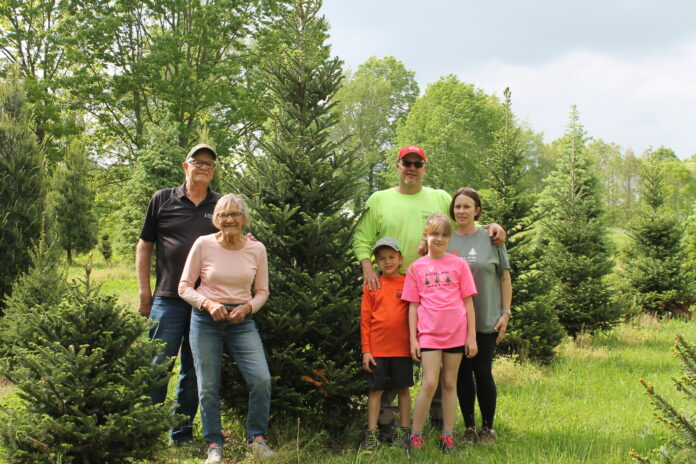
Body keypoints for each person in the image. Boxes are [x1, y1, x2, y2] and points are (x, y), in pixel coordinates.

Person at [352, 144, 505, 438]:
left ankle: (438, 421)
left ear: (424, 167)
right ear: (397, 165)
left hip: (440, 293)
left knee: (440, 371)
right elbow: (361, 237)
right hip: (395, 289)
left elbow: (461, 220)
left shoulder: (440, 197)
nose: (412, 168)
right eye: (406, 162)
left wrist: (491, 227)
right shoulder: (379, 199)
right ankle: (388, 423)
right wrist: (367, 267)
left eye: (417, 163)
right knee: (392, 349)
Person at [178, 193, 273, 463]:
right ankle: (214, 444)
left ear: (244, 218)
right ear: (216, 219)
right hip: (206, 319)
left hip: (242, 321)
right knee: (208, 385)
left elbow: (262, 291)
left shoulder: (257, 249)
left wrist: (248, 308)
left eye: (235, 214)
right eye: (223, 214)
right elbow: (184, 286)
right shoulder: (203, 244)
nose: (229, 219)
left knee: (261, 379)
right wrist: (208, 304)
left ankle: (256, 439)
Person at [136, 143, 220, 445]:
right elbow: (145, 244)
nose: (203, 168)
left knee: (193, 370)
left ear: (213, 171)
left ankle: (181, 434)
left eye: (209, 164)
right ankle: (146, 432)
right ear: (186, 166)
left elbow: (235, 238)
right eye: (198, 162)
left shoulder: (219, 204)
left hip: (205, 302)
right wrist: (145, 293)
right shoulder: (162, 199)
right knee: (158, 366)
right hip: (167, 299)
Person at [402, 213, 477, 453]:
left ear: (449, 237)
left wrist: (471, 337)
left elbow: (468, 302)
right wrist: (413, 339)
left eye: (444, 235)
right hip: (429, 334)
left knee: (449, 382)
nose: (439, 239)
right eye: (435, 234)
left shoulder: (459, 265)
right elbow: (413, 306)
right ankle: (416, 435)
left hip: (456, 332)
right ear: (426, 235)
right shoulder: (417, 267)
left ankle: (447, 435)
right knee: (430, 383)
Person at [448, 188, 512, 446]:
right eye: (457, 206)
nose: (461, 211)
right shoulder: (446, 239)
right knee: (462, 374)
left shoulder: (492, 238)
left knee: (483, 372)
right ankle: (469, 428)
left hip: (487, 318)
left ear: (477, 210)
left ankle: (488, 428)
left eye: (467, 206)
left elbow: (504, 278)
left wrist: (506, 313)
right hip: (455, 322)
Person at [359, 237, 413, 453]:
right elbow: (365, 320)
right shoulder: (372, 285)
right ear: (376, 262)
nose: (387, 262)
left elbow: (416, 314)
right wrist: (366, 350)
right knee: (375, 391)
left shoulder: (408, 282)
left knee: (403, 390)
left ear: (400, 259)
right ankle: (371, 435)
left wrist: (416, 343)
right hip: (377, 351)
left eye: (392, 257)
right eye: (382, 259)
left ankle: (404, 432)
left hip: (403, 350)